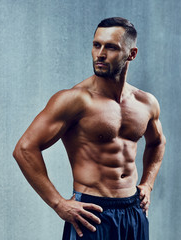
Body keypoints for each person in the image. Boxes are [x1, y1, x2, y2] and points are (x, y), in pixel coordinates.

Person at [13, 17, 166, 240]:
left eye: (111, 47)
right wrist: (58, 204)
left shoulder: (145, 102)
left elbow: (157, 142)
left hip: (133, 210)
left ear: (131, 54)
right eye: (96, 45)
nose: (100, 54)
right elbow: (24, 149)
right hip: (92, 214)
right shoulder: (75, 100)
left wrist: (148, 184)